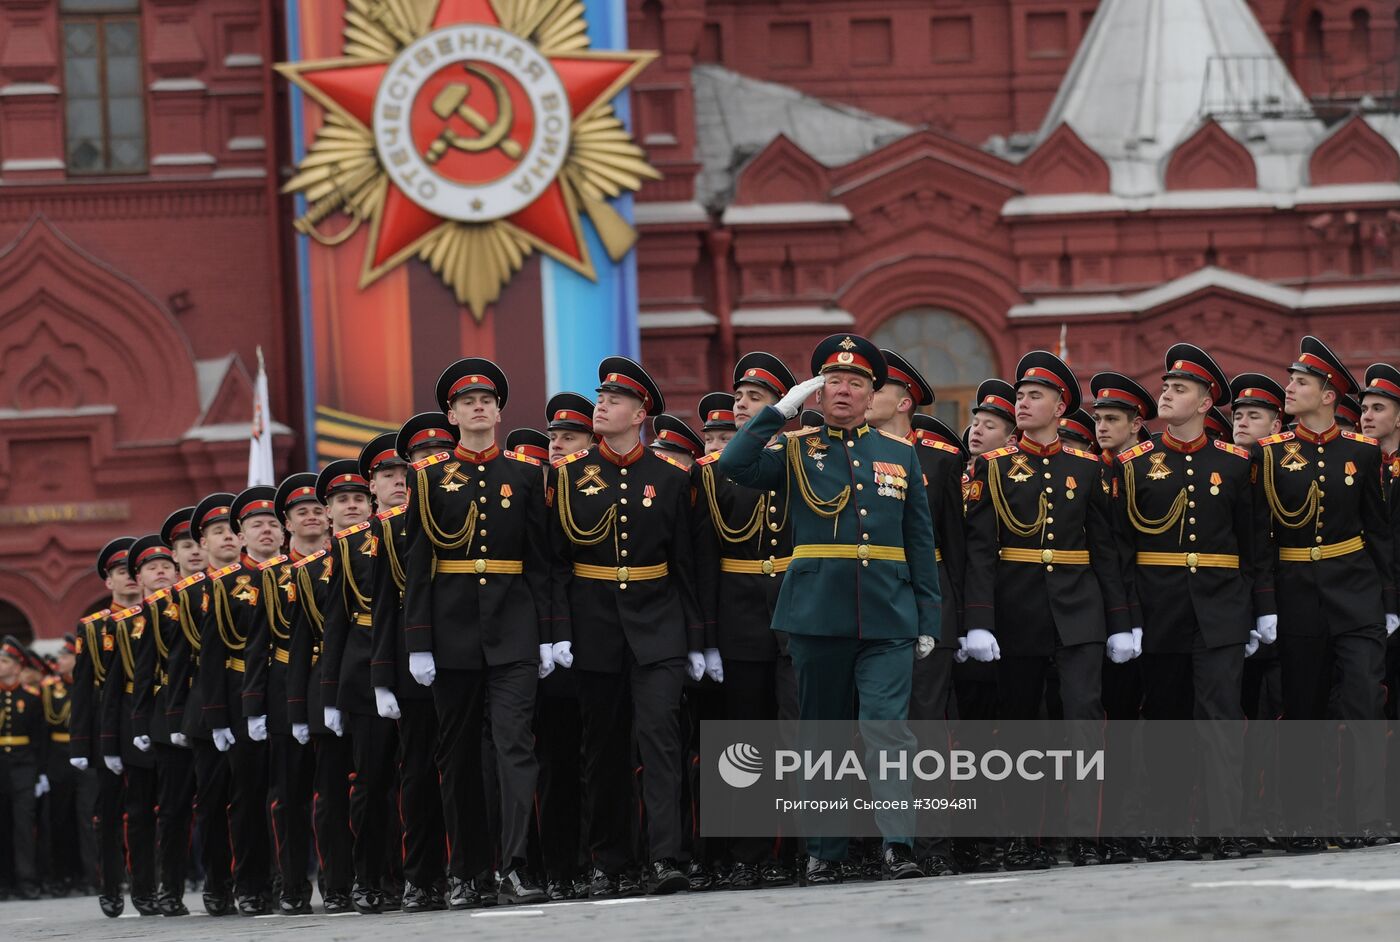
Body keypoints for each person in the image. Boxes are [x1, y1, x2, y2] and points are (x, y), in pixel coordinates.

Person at [719, 333, 940, 884]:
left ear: (872, 396)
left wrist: (928, 618)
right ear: (818, 394)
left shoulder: (900, 455)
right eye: (834, 382)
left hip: (889, 613)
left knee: (887, 730)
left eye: (857, 383)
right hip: (817, 612)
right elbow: (733, 464)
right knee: (821, 734)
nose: (845, 390)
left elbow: (920, 541)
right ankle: (825, 850)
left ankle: (898, 845)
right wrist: (782, 410)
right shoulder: (794, 448)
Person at [962, 350, 1129, 868]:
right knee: (1018, 727)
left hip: (1079, 611)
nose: (1024, 403)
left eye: (1036, 396)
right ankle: (1020, 837)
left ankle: (1084, 834)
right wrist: (979, 622)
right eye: (1021, 396)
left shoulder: (1088, 468)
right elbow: (980, 552)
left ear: (1061, 408)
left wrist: (1121, 622)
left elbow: (1107, 550)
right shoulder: (991, 467)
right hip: (1017, 613)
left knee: (1082, 720)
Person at [547, 355, 704, 897]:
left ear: (641, 414)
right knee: (604, 747)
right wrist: (559, 630)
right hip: (594, 627)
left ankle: (667, 856)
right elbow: (556, 562)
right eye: (601, 399)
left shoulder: (671, 476)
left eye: (615, 401)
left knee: (660, 738)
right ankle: (612, 861)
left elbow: (687, 563)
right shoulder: (566, 477)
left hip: (657, 625)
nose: (602, 406)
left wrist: (698, 639)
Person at [402, 358, 550, 907]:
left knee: (515, 747)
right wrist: (418, 641)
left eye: (487, 400)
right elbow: (418, 566)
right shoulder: (430, 477)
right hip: (452, 630)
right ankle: (467, 872)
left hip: (513, 627)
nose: (479, 407)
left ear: (500, 410)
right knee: (458, 756)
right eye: (467, 402)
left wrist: (549, 632)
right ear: (452, 413)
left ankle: (514, 865)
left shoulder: (525, 475)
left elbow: (540, 560)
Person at [1112, 344, 1269, 861]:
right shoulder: (1133, 463)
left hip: (1222, 607)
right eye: (1166, 387)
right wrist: (1128, 618)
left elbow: (1253, 544)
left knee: (1222, 719)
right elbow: (1122, 548)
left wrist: (1256, 609)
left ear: (1205, 403)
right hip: (1159, 610)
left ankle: (1226, 825)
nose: (1167, 395)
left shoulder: (1236, 462)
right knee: (1165, 719)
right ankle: (1170, 826)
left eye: (1180, 390)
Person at [1257, 336, 1395, 850]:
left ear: (1329, 394)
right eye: (1292, 381)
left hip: (1355, 590)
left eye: (1300, 383)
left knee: (1363, 703)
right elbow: (1260, 539)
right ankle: (1304, 819)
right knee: (1303, 707)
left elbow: (1378, 531)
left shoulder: (1362, 452)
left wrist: (1390, 602)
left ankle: (1368, 816)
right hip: (1296, 593)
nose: (1289, 390)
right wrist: (1266, 605)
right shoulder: (1268, 455)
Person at [692, 354, 799, 889]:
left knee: (801, 730)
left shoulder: (802, 458)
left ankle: (808, 848)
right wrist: (708, 638)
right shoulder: (711, 471)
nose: (740, 407)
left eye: (754, 400)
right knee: (743, 739)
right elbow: (704, 559)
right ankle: (747, 853)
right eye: (739, 399)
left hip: (796, 605)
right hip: (739, 611)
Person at [870, 349, 962, 878]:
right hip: (878, 606)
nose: (865, 397)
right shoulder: (853, 456)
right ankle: (886, 844)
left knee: (927, 728)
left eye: (876, 389)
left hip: (928, 609)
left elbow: (956, 547)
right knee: (880, 727)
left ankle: (933, 844)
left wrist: (964, 619)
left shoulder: (940, 463)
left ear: (903, 401)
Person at [199, 486, 283, 914]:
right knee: (247, 796)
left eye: (272, 523)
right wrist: (216, 717)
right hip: (239, 698)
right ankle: (251, 883)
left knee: (291, 792)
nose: (265, 530)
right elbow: (211, 653)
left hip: (291, 689)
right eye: (256, 525)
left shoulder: (301, 573)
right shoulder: (226, 585)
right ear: (241, 535)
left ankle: (294, 880)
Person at [285, 476, 355, 914]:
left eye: (317, 507)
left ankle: (376, 876)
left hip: (367, 675)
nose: (312, 515)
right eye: (302, 510)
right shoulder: (288, 575)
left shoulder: (360, 554)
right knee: (318, 793)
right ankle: (331, 880)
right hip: (315, 685)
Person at [166, 495, 237, 915]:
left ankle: (262, 878)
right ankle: (217, 881)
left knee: (258, 798)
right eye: (216, 533)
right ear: (202, 545)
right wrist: (177, 715)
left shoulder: (266, 578)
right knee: (212, 802)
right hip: (206, 706)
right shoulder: (189, 594)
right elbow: (177, 660)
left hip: (259, 697)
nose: (226, 537)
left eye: (231, 530)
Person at [101, 535, 177, 914]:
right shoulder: (122, 625)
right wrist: (108, 743)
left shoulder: (193, 603)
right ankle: (144, 886)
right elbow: (110, 690)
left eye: (167, 565)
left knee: (180, 809)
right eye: (150, 568)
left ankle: (174, 883)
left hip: (186, 716)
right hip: (141, 724)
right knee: (142, 811)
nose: (160, 572)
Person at [71, 537, 137, 917]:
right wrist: (81, 746)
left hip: (153, 724)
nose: (129, 578)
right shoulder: (94, 629)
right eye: (120, 573)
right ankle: (111, 886)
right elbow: (82, 689)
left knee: (154, 810)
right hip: (107, 731)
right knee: (108, 814)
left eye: (134, 572)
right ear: (108, 581)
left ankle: (153, 881)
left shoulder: (162, 614)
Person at [0, 636, 46, 901]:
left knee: (23, 826)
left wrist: (40, 773)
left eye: (5, 661)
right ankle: (4, 883)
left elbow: (39, 739)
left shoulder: (30, 698)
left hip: (23, 768)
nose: (1, 665)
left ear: (17, 667)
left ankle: (26, 881)